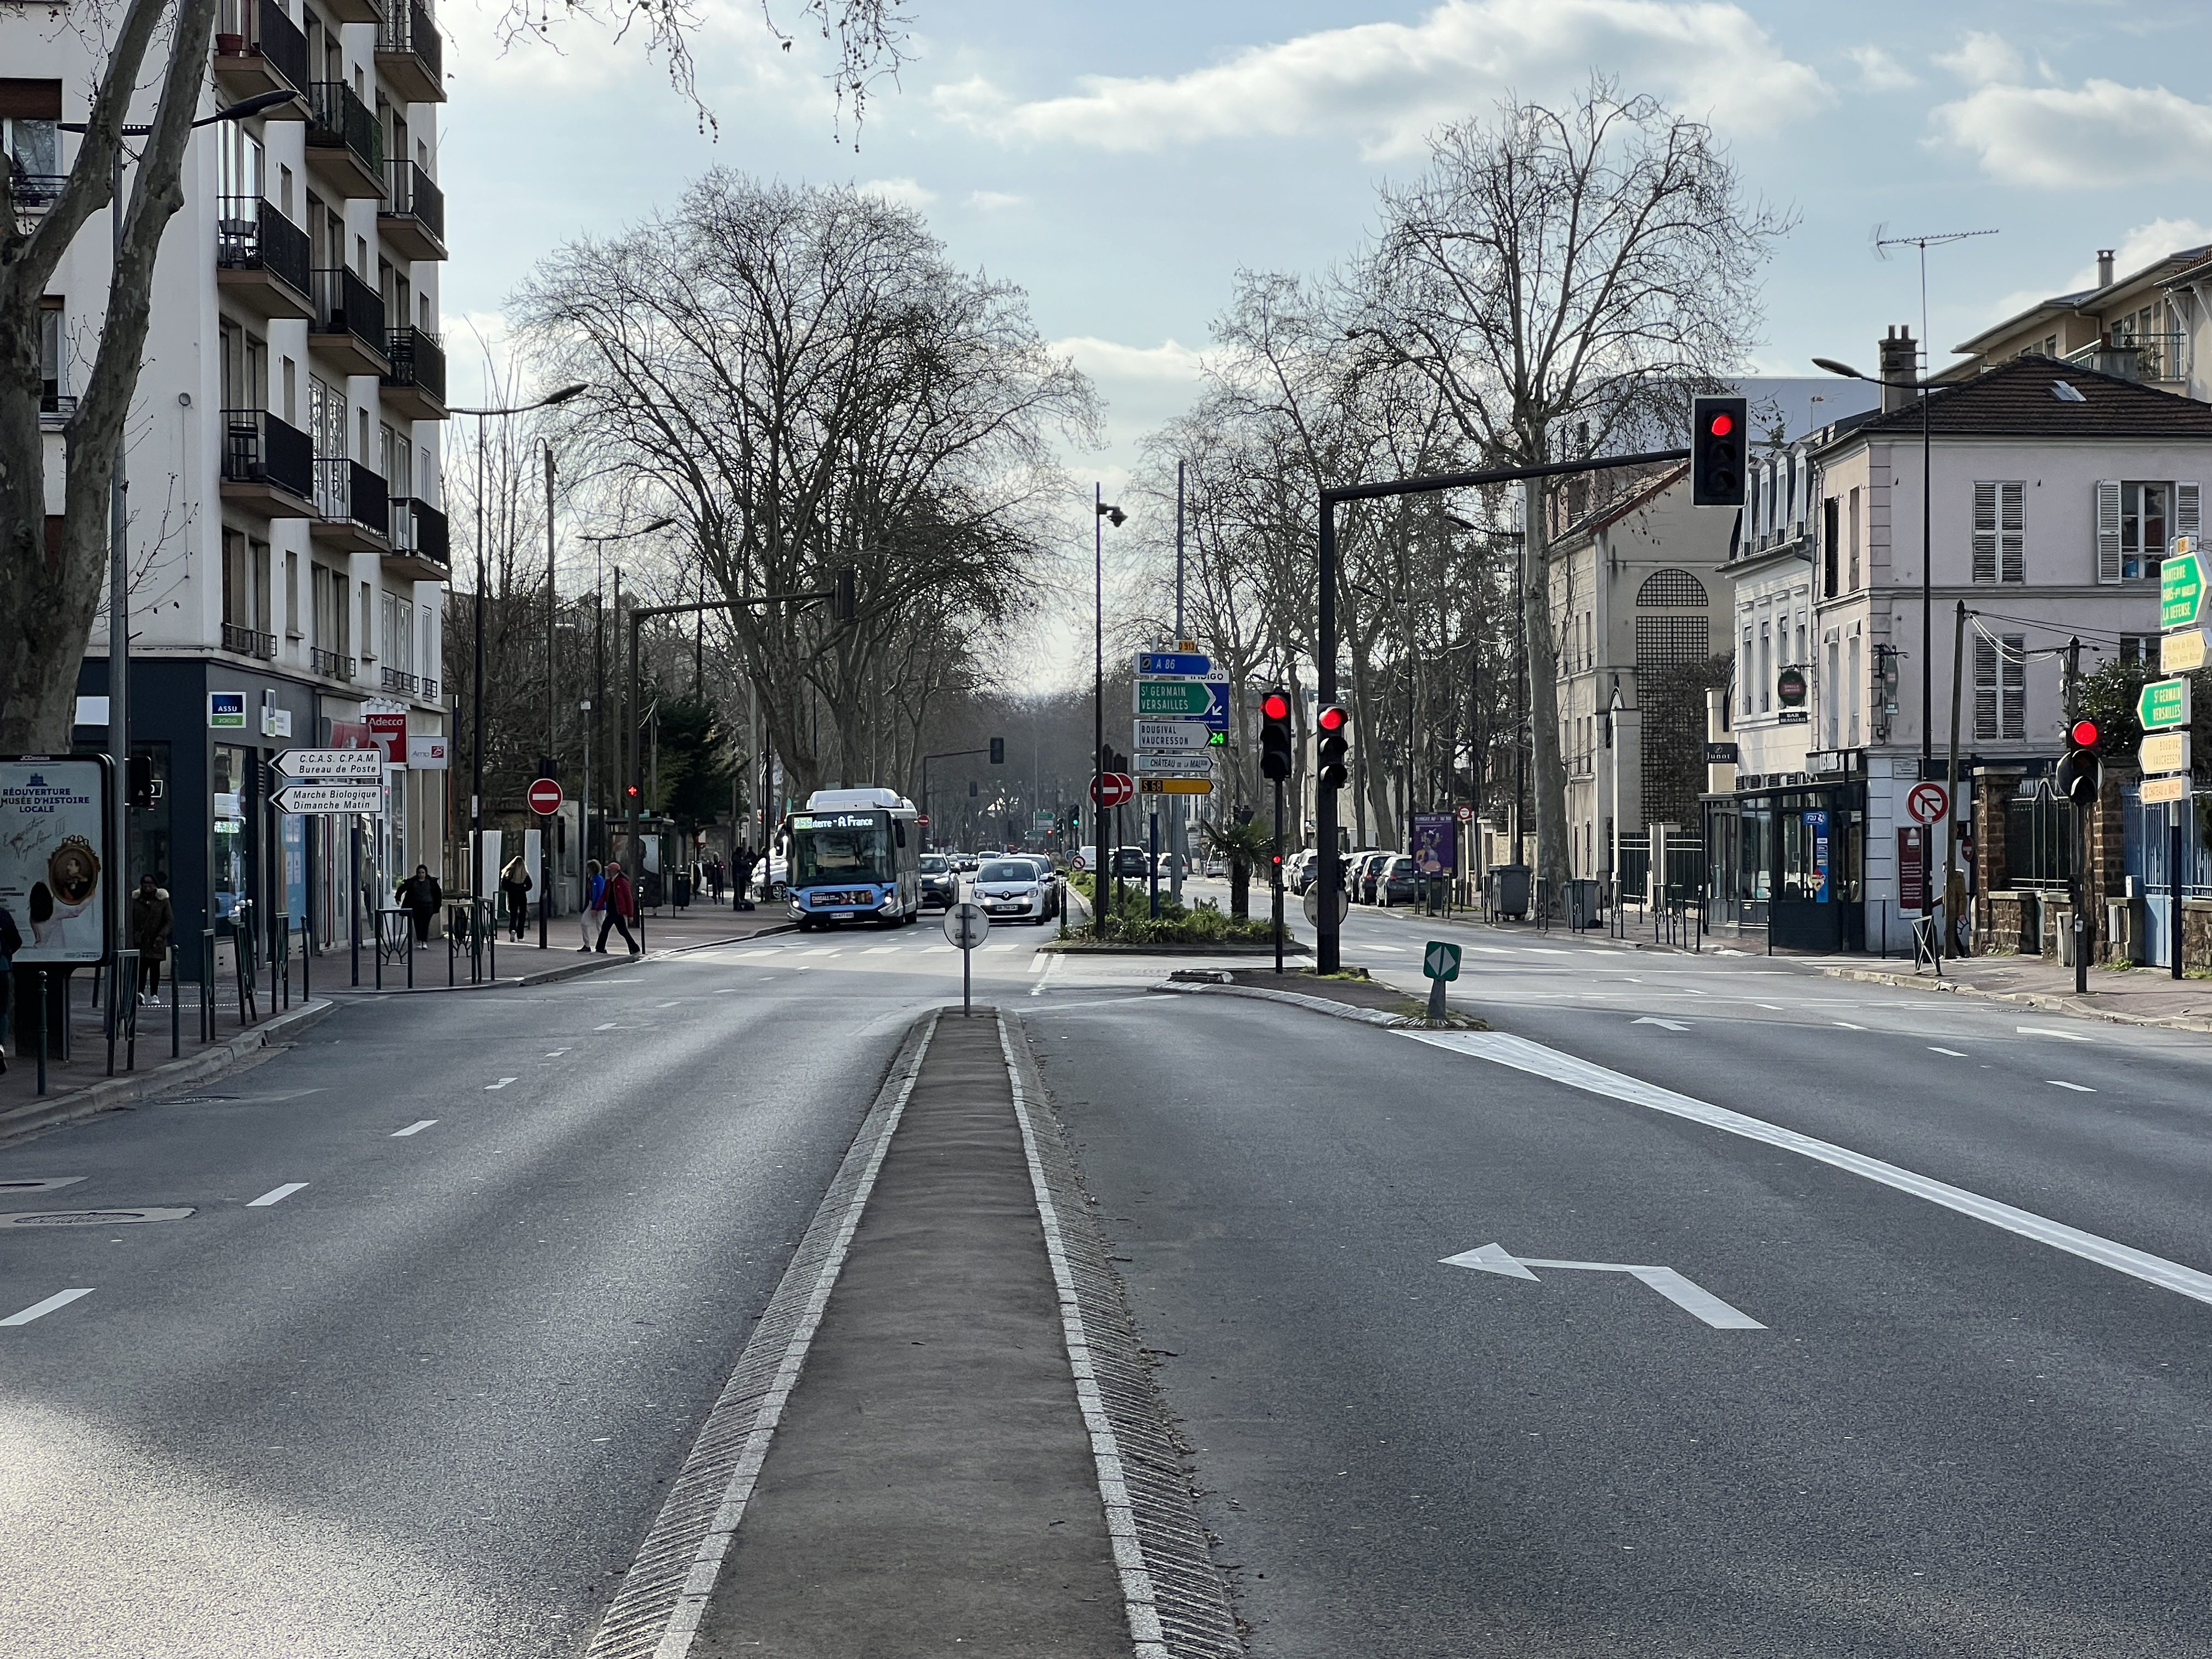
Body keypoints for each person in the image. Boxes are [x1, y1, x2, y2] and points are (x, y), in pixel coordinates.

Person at [132, 873, 173, 1006]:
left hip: (156, 940)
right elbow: (130, 918)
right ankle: (140, 992)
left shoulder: (162, 901)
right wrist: (134, 934)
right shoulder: (136, 900)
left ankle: (154, 994)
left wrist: (162, 935)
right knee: (142, 967)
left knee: (155, 968)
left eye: (151, 884)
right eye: (145, 883)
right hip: (141, 940)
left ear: (156, 886)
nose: (148, 886)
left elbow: (169, 920)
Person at [596, 860, 639, 954]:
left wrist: (631, 915)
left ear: (615, 871)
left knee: (605, 928)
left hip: (617, 911)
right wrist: (597, 908)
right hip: (612, 910)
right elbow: (603, 896)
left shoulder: (622, 882)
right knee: (623, 931)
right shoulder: (609, 882)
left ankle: (599, 949)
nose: (608, 872)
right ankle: (634, 948)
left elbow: (629, 898)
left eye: (610, 870)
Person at [399, 864, 442, 947]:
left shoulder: (431, 882)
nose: (421, 875)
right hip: (416, 906)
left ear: (426, 873)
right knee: (418, 924)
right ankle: (421, 940)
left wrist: (437, 905)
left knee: (425, 924)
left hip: (428, 906)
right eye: (419, 873)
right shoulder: (413, 882)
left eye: (423, 873)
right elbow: (403, 888)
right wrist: (398, 897)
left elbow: (438, 893)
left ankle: (424, 942)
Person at [500, 855, 533, 942]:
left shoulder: (510, 873)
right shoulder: (524, 873)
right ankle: (520, 936)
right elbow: (530, 885)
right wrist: (522, 889)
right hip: (522, 896)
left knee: (513, 915)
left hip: (512, 896)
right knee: (522, 916)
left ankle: (513, 929)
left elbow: (504, 885)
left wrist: (511, 890)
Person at [579, 858, 603, 952]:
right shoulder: (592, 878)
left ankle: (602, 946)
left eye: (588, 868)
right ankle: (587, 944)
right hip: (592, 903)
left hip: (598, 905)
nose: (586, 869)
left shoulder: (598, 879)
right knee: (585, 923)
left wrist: (595, 908)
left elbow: (599, 893)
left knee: (600, 926)